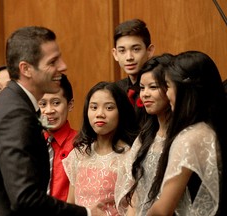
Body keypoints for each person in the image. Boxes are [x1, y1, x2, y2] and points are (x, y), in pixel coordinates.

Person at [0, 26, 105, 216]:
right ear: (26, 69)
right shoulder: (15, 114)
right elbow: (24, 197)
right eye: (53, 62)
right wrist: (87, 214)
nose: (63, 66)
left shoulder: (10, 103)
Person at [130, 51, 227, 215]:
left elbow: (162, 210)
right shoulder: (213, 128)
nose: (167, 94)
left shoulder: (190, 137)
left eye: (167, 86)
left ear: (184, 89)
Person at [62, 81, 139, 215]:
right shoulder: (78, 154)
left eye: (109, 108)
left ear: (121, 111)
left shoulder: (130, 157)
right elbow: (71, 205)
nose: (100, 114)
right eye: (94, 107)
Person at [114, 53, 174, 215]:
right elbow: (135, 193)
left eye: (153, 87)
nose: (145, 94)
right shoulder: (144, 136)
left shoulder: (182, 137)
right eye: (142, 88)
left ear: (171, 88)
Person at [38, 73, 76, 201]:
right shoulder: (30, 143)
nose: (49, 110)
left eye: (56, 103)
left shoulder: (80, 144)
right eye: (42, 104)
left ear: (70, 105)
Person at [112, 19, 155, 109]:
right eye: (122, 51)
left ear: (149, 51)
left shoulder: (160, 88)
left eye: (136, 49)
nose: (129, 57)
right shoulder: (115, 91)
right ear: (115, 54)